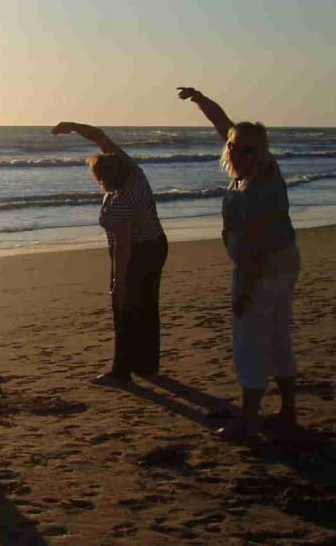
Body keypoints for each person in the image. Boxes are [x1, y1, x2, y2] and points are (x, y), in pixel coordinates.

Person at [178, 87, 301, 441]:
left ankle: (248, 420)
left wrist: (244, 288)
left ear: (261, 153)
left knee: (250, 342)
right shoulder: (254, 170)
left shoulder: (258, 186)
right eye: (233, 146)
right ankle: (287, 411)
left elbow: (255, 249)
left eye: (247, 149)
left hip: (261, 268)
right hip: (284, 261)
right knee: (278, 335)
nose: (236, 152)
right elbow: (224, 125)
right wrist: (201, 100)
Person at [52, 122, 168, 386]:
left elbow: (123, 246)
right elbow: (100, 136)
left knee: (125, 308)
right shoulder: (134, 172)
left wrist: (119, 281)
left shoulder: (120, 204)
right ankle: (147, 364)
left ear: (104, 178)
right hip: (157, 243)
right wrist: (72, 126)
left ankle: (122, 370)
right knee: (147, 306)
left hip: (138, 251)